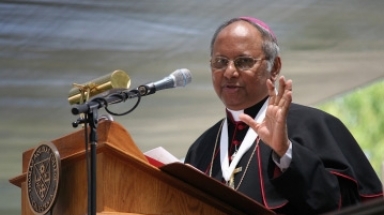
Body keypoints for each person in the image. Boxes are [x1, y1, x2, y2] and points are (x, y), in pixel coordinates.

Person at [184, 16, 383, 215]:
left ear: (275, 67)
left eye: (243, 61)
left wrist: (286, 152)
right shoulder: (201, 148)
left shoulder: (314, 125)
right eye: (220, 62)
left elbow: (347, 206)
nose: (229, 72)